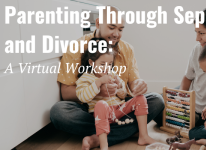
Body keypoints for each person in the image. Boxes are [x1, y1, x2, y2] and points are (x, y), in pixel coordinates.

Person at [49, 6, 164, 150]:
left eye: (120, 29)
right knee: (58, 112)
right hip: (90, 109)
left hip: (118, 106)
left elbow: (132, 86)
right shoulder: (76, 47)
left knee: (156, 100)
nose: (116, 34)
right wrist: (97, 90)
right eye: (111, 27)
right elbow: (65, 93)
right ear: (98, 24)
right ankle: (128, 131)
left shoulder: (127, 49)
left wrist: (139, 85)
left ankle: (100, 137)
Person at [76, 38, 155, 150]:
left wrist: (119, 87)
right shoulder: (86, 78)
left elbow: (122, 96)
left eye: (109, 64)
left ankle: (143, 136)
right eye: (102, 64)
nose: (106, 68)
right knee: (101, 104)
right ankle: (104, 145)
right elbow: (82, 97)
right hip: (102, 115)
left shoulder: (112, 74)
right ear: (91, 63)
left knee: (141, 98)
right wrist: (98, 83)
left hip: (119, 110)